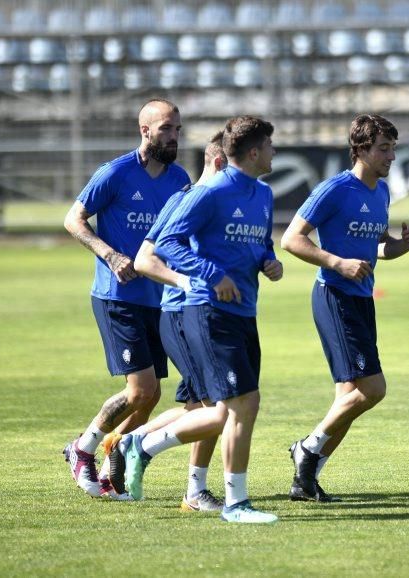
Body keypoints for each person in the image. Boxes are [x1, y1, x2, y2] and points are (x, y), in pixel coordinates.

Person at [109, 115, 283, 524]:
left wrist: (268, 261)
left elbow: (258, 242)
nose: (276, 152)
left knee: (233, 408)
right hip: (207, 310)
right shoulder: (210, 193)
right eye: (271, 146)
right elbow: (165, 245)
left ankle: (142, 449)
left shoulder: (264, 194)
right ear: (254, 152)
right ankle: (233, 503)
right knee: (236, 407)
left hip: (244, 310)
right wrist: (210, 275)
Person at [281, 114, 409, 502]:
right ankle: (306, 450)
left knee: (347, 398)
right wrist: (337, 263)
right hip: (334, 296)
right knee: (372, 389)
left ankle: (305, 481)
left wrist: (400, 245)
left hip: (361, 299)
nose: (391, 156)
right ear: (360, 149)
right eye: (383, 148)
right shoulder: (335, 189)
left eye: (393, 148)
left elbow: (378, 246)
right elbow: (291, 240)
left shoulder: (381, 192)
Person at [62, 99, 190, 499]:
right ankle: (82, 448)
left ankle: (111, 462)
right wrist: (111, 255)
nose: (173, 136)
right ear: (145, 130)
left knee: (150, 395)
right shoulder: (115, 174)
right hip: (117, 296)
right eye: (166, 128)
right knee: (139, 390)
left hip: (159, 299)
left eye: (177, 130)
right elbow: (73, 220)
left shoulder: (180, 178)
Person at [102, 131, 228, 513]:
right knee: (217, 408)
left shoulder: (208, 199)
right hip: (183, 314)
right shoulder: (188, 200)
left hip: (198, 314)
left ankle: (130, 442)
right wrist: (188, 281)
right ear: (222, 162)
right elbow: (149, 256)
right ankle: (191, 488)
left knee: (201, 408)